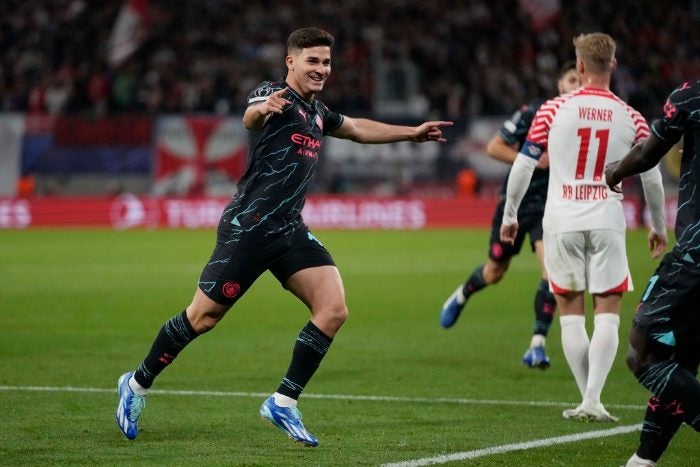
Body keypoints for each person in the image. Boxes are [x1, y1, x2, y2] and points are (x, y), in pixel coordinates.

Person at [115, 27, 453, 447]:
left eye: (326, 62)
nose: (321, 69)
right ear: (290, 62)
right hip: (250, 226)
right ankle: (136, 384)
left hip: (289, 229)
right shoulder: (275, 94)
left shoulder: (317, 111)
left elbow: (358, 129)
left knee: (333, 309)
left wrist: (412, 132)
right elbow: (251, 115)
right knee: (202, 318)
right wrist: (263, 107)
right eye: (312, 61)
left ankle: (284, 401)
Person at [499, 32, 667, 422]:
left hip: (561, 220)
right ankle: (594, 398)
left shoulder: (552, 109)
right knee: (607, 310)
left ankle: (585, 399)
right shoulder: (632, 116)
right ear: (613, 65)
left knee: (570, 311)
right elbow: (652, 177)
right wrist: (657, 224)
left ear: (578, 66)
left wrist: (510, 214)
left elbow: (523, 164)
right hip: (607, 218)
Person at [439, 61, 582, 370]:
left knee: (552, 273)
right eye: (571, 79)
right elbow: (493, 147)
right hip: (518, 201)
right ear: (559, 85)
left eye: (581, 80)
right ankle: (462, 294)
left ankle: (537, 344)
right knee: (495, 271)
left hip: (554, 205)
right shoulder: (535, 112)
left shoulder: (588, 119)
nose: (576, 85)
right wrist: (530, 160)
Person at [605, 80, 700, 467]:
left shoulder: (691, 97)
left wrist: (614, 171)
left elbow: (646, 154)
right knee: (682, 355)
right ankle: (643, 461)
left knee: (643, 353)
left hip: (696, 256)